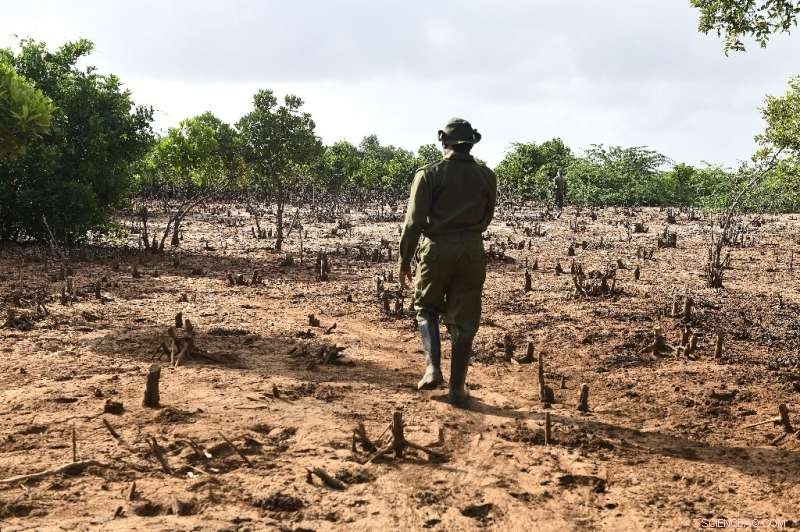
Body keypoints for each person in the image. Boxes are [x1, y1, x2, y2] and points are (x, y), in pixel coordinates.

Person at [399, 118, 497, 406]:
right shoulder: (486, 175)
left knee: (426, 307)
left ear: (443, 141)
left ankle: (432, 368)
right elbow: (487, 217)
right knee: (464, 322)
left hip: (436, 248)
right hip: (471, 249)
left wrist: (405, 259)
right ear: (471, 143)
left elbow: (413, 222)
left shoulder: (429, 174)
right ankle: (457, 388)